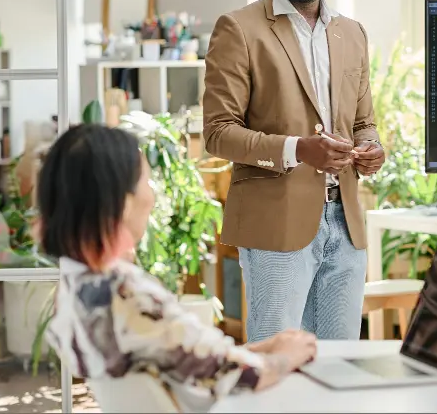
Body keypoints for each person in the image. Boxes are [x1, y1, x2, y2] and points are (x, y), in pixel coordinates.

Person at [38, 125, 317, 412]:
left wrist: (264, 348)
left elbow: (188, 357)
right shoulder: (126, 294)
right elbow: (238, 375)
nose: (152, 198)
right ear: (123, 203)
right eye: (146, 183)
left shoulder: (75, 287)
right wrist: (285, 357)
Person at [203, 0, 384, 343]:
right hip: (275, 224)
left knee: (339, 366)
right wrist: (298, 150)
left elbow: (363, 122)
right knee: (277, 364)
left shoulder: (352, 33)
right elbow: (218, 131)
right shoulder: (239, 29)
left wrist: (371, 147)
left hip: (347, 223)